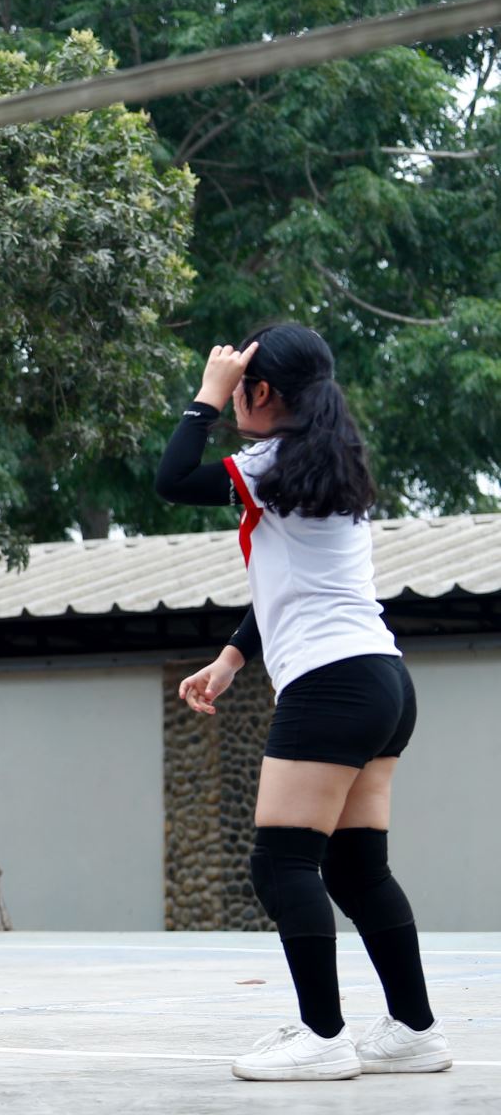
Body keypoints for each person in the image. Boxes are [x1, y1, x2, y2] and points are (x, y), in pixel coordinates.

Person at [155, 325, 450, 1081]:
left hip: (331, 686)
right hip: (381, 681)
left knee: (282, 866)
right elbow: (294, 585)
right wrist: (231, 657)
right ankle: (415, 1030)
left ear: (261, 393)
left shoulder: (272, 460)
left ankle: (323, 1039)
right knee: (356, 871)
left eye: (242, 383)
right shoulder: (332, 465)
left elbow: (172, 477)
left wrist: (203, 400)